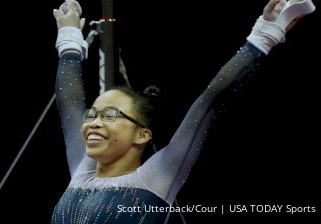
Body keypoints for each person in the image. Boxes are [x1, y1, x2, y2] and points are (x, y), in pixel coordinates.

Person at [50, 0, 316, 223]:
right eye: (92, 114)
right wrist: (69, 39)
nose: (93, 123)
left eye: (110, 115)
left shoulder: (154, 178)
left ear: (142, 135)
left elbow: (209, 102)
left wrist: (265, 33)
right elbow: (69, 103)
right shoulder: (82, 171)